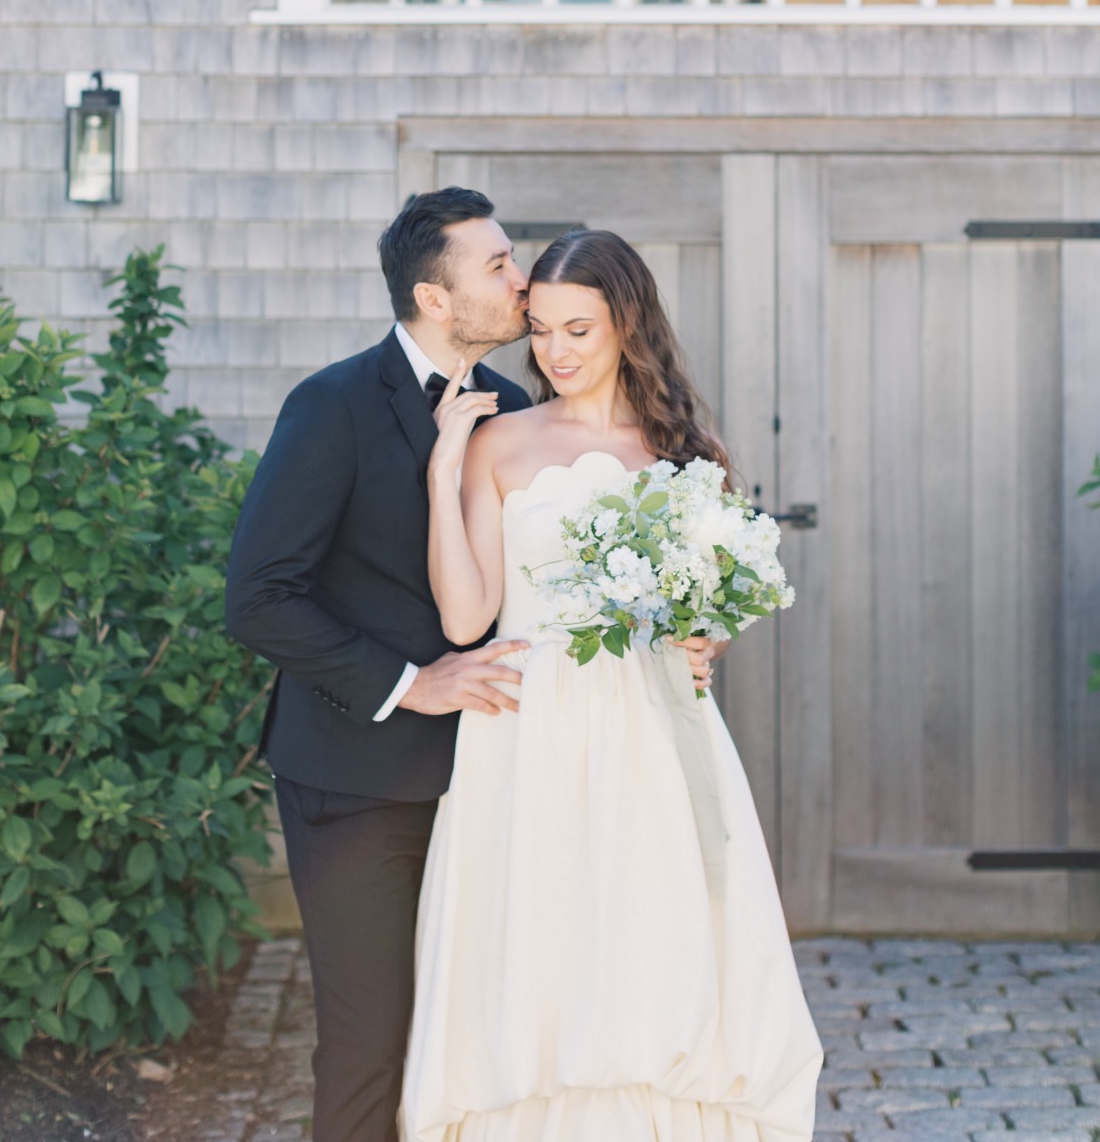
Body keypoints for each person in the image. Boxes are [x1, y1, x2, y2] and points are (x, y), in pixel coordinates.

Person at [401, 227, 822, 1142]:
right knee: (542, 943)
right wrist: (443, 471)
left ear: (628, 326)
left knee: (650, 933)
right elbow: (467, 619)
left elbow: (710, 594)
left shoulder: (686, 448)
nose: (554, 352)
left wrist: (709, 632)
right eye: (541, 330)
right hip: (528, 725)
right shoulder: (499, 442)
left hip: (651, 729)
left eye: (579, 331)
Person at [225, 188, 533, 1142]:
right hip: (355, 781)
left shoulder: (517, 410)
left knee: (474, 1033)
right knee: (370, 1041)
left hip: (492, 777)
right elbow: (260, 596)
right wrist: (413, 683)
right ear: (433, 299)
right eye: (495, 266)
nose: (518, 280)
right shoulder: (333, 405)